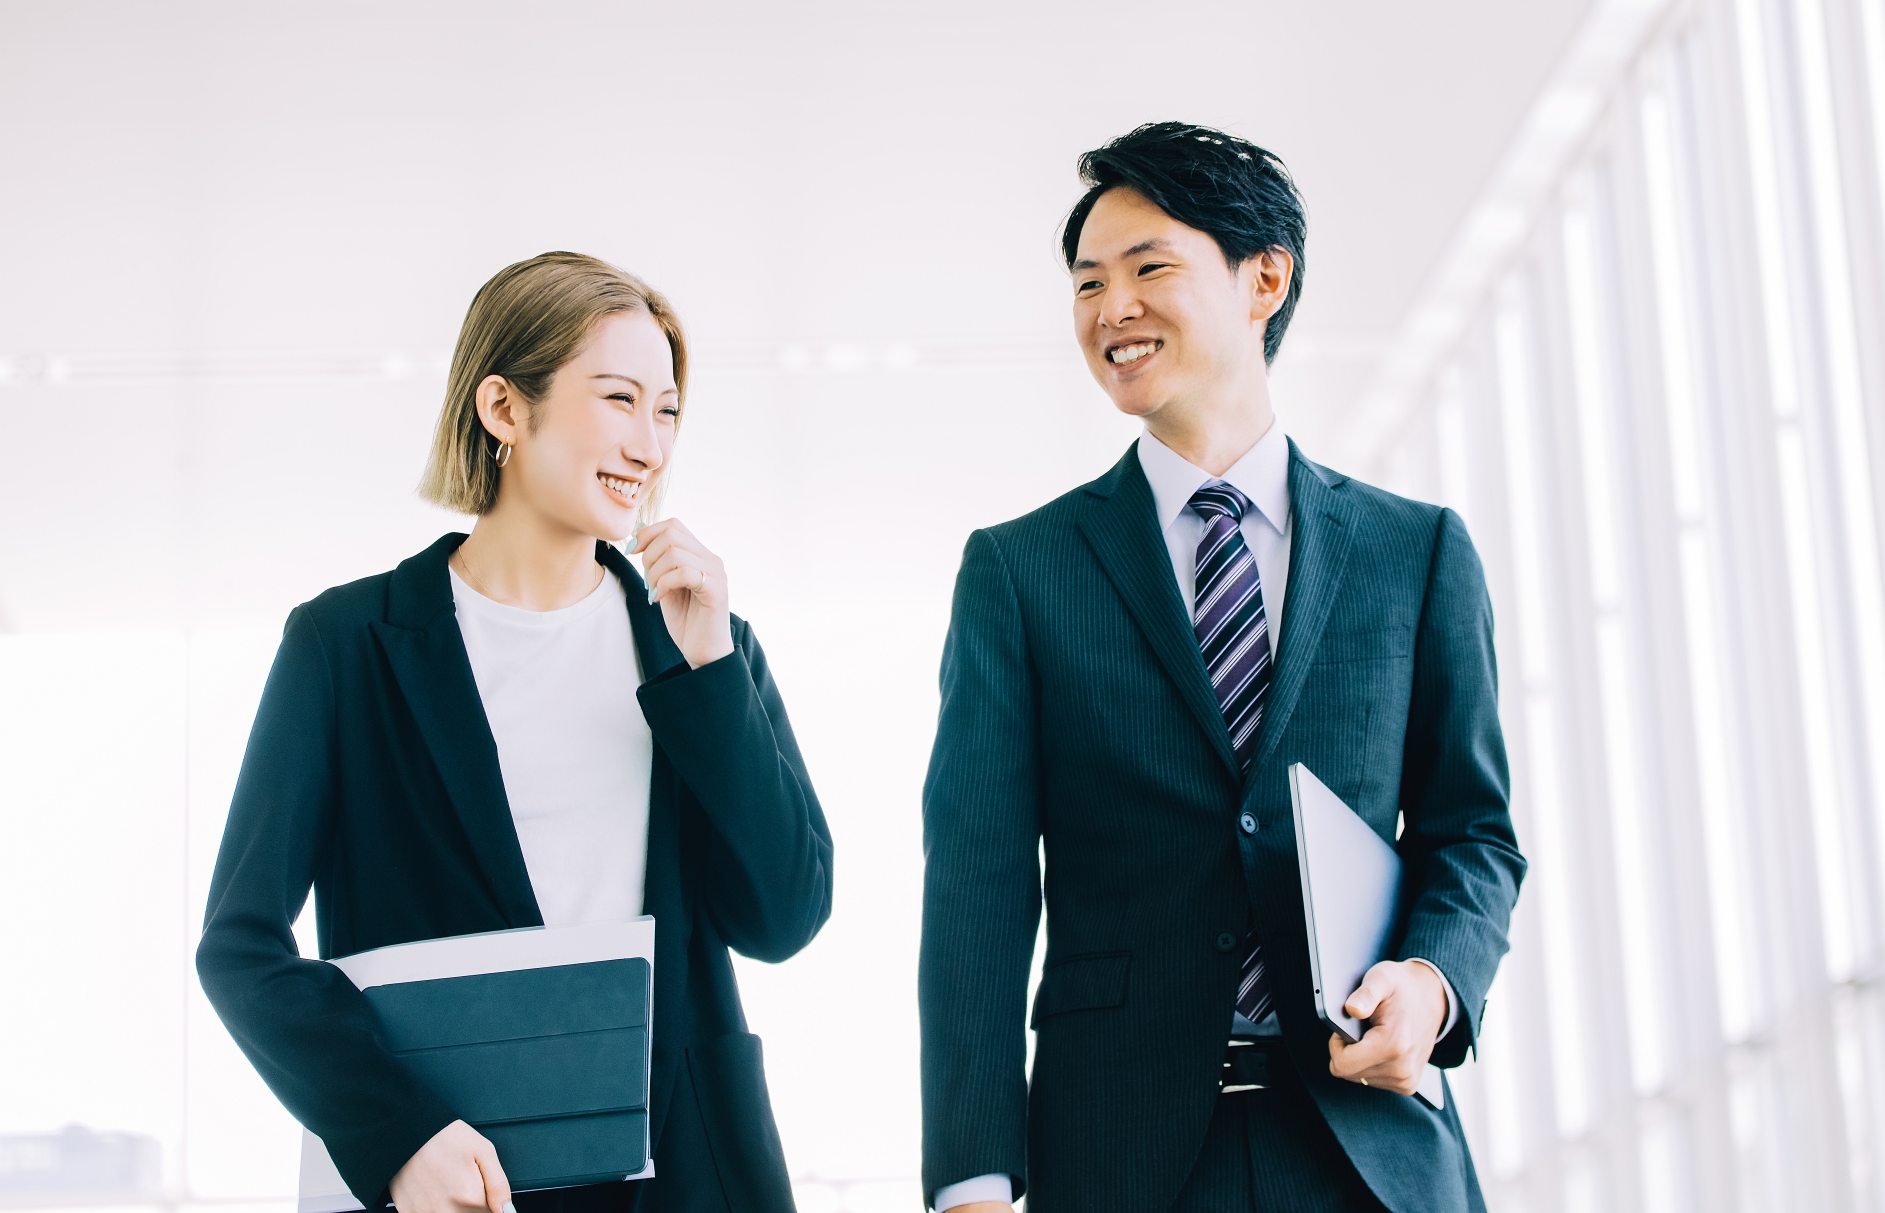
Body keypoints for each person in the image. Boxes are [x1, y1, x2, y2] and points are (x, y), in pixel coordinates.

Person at [918, 124, 1525, 1213]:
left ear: (1264, 279)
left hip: (1368, 1149)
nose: (1112, 309)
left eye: (1149, 267)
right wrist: (971, 1177)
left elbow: (1472, 835)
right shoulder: (1020, 572)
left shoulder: (1416, 552)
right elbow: (978, 885)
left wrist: (1432, 987)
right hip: (1118, 1154)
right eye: (1088, 283)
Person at [198, 252, 832, 1213]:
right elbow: (240, 946)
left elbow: (783, 916)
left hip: (687, 1177)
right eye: (619, 399)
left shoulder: (701, 646)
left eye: (667, 411)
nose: (651, 446)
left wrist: (711, 675)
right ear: (503, 407)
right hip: (457, 1181)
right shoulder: (346, 646)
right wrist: (399, 1135)